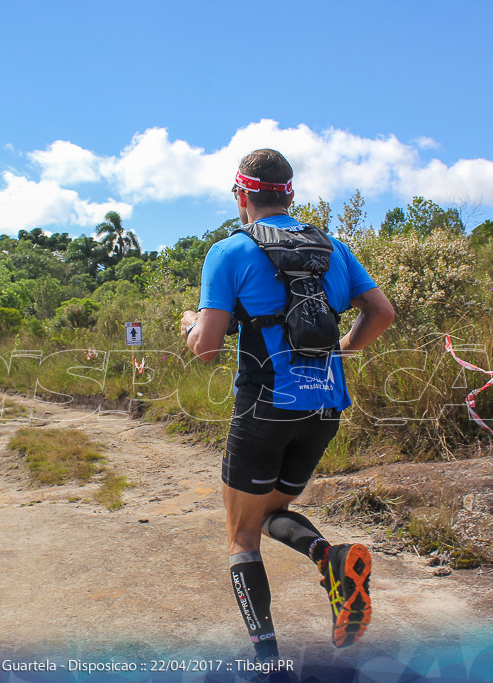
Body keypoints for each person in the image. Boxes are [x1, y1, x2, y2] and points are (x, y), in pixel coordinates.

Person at [180, 149, 394, 666]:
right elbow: (382, 313)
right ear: (289, 194)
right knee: (272, 509)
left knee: (241, 536)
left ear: (242, 196)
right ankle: (333, 559)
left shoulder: (228, 251)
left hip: (263, 406)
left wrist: (190, 324)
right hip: (325, 407)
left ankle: (267, 663)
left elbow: (207, 348)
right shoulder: (334, 248)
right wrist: (340, 352)